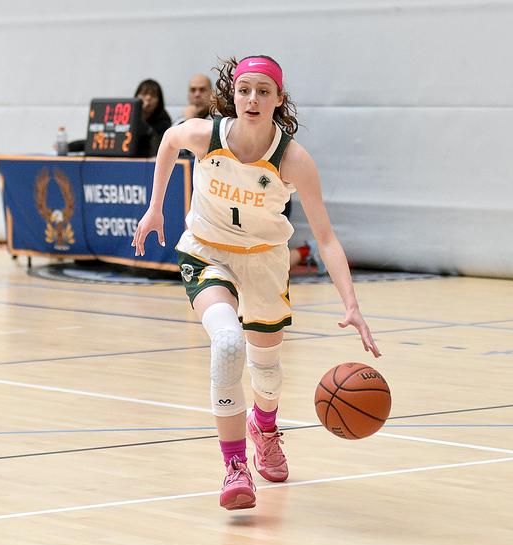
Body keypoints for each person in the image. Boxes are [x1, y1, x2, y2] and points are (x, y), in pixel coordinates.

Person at [132, 55, 380, 511]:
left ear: (278, 100)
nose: (252, 99)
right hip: (207, 250)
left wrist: (352, 304)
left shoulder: (293, 159)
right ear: (233, 95)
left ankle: (264, 427)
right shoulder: (205, 134)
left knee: (266, 371)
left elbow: (325, 238)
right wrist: (155, 207)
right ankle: (234, 466)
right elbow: (168, 142)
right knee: (227, 343)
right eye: (245, 89)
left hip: (265, 260)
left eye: (264, 91)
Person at [133, 79, 171, 157]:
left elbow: (157, 148)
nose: (148, 98)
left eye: (153, 95)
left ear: (158, 101)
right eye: (144, 94)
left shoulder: (164, 122)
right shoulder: (130, 117)